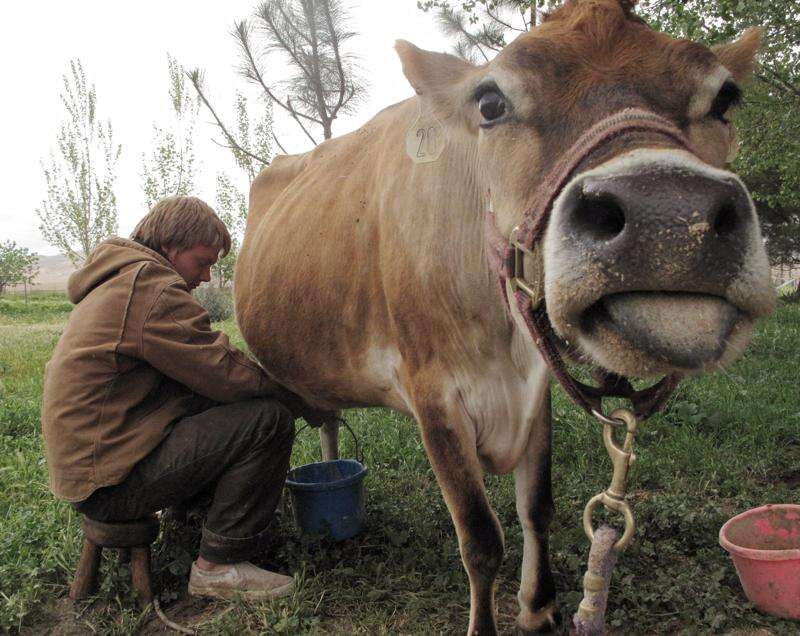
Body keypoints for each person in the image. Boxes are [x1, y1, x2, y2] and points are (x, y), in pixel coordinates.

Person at [42, 196, 320, 600]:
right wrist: (303, 397)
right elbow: (222, 371)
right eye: (202, 261)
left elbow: (200, 376)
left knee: (214, 405)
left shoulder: (120, 280)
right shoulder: (150, 290)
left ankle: (193, 520)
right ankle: (219, 565)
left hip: (93, 470)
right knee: (268, 420)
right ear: (172, 247)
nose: (206, 276)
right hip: (110, 485)